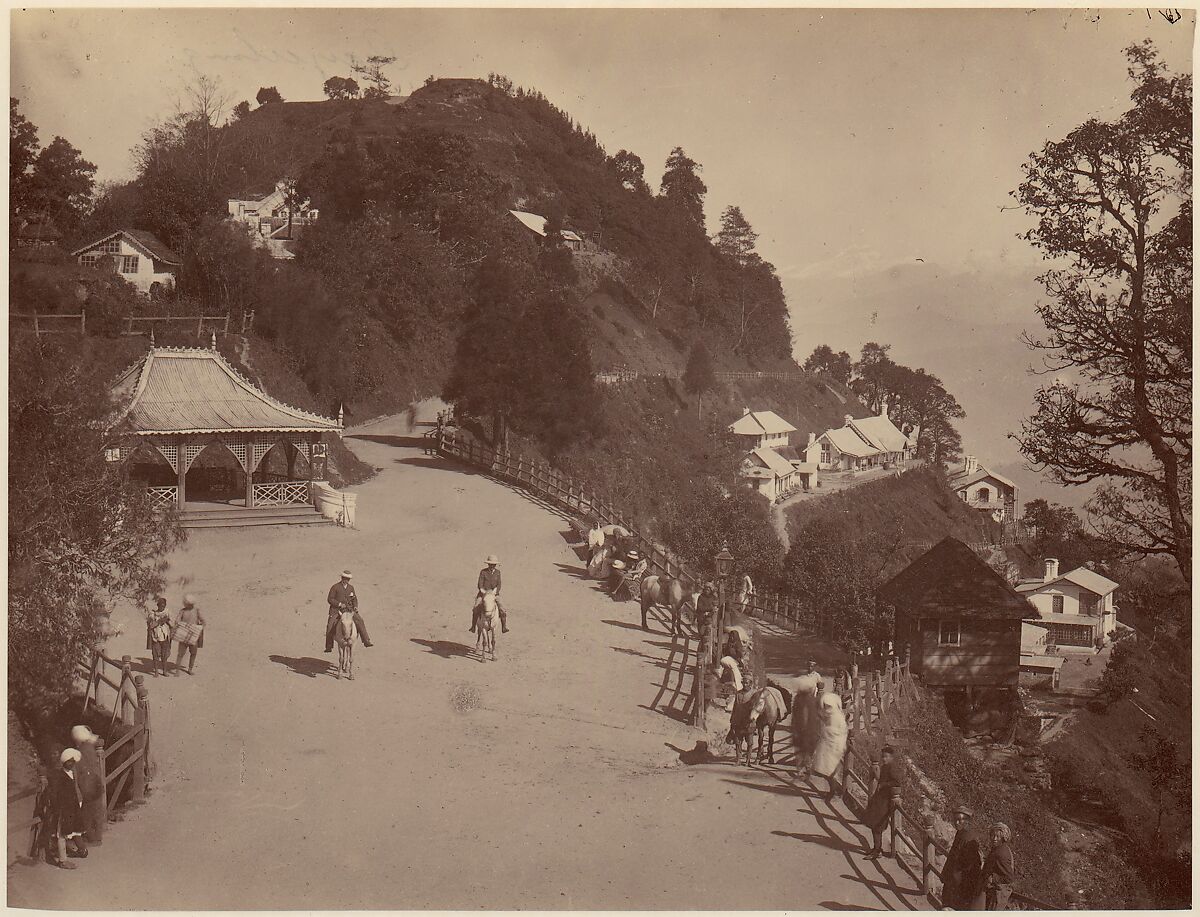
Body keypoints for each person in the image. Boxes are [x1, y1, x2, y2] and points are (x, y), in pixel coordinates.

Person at [46, 749, 86, 868]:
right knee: (62, 833)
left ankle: (80, 848)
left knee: (72, 828)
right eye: (69, 762)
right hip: (63, 808)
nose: (71, 764)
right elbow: (55, 794)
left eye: (73, 762)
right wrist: (58, 808)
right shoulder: (59, 775)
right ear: (64, 762)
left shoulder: (72, 773)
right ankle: (63, 860)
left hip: (71, 806)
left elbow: (74, 790)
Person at [863, 745, 904, 859]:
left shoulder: (892, 767)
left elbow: (897, 782)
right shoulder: (885, 766)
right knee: (874, 823)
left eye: (886, 757)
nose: (884, 759)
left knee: (877, 825)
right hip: (879, 799)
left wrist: (883, 785)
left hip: (885, 801)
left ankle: (877, 851)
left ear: (891, 757)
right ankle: (877, 848)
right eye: (883, 757)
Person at [940, 806, 984, 910]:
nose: (957, 823)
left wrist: (955, 879)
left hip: (961, 883)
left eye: (960, 820)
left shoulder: (968, 838)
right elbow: (952, 856)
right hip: (954, 880)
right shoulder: (960, 833)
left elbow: (970, 865)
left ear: (967, 821)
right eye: (956, 820)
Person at [70, 726, 105, 845]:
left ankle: (93, 838)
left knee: (87, 814)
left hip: (88, 785)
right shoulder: (90, 747)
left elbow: (81, 769)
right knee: (97, 811)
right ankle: (97, 836)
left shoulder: (81, 751)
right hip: (96, 783)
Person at [325, 570, 373, 652]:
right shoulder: (335, 587)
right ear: (342, 578)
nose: (346, 580)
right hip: (337, 610)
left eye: (348, 579)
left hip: (349, 610)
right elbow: (330, 599)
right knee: (330, 625)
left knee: (360, 620)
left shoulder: (351, 588)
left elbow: (354, 598)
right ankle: (329, 646)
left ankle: (366, 640)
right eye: (345, 578)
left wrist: (355, 606)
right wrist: (339, 604)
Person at [981, 822, 1016, 911]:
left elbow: (1009, 877)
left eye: (998, 836)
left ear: (1003, 838)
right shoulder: (998, 848)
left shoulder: (1001, 853)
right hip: (993, 891)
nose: (994, 838)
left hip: (998, 894)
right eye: (992, 835)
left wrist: (992, 878)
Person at [470, 555, 508, 634]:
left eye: (494, 564)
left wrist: (495, 592)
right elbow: (480, 584)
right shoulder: (483, 572)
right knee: (476, 608)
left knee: (502, 609)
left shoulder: (498, 572)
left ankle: (504, 627)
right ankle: (473, 626)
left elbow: (499, 584)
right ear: (488, 564)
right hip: (483, 593)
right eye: (490, 564)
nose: (492, 566)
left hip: (494, 594)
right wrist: (484, 592)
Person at [172, 594, 206, 676]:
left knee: (193, 653)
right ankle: (177, 670)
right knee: (180, 653)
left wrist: (199, 628)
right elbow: (177, 620)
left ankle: (190, 669)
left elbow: (203, 621)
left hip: (193, 636)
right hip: (183, 635)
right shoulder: (182, 611)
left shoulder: (197, 610)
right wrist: (180, 625)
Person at [146, 596, 172, 677]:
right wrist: (157, 621)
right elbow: (150, 624)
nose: (162, 607)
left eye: (164, 606)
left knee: (165, 655)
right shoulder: (153, 614)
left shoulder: (167, 613)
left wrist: (168, 622)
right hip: (156, 637)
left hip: (164, 636)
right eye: (161, 605)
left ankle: (164, 671)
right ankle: (156, 671)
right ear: (158, 605)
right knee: (155, 655)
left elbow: (170, 623)